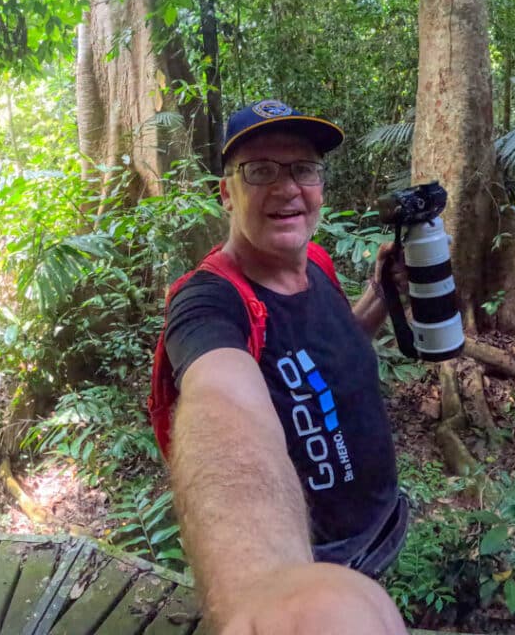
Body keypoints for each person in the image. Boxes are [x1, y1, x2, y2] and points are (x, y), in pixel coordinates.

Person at [161, 99, 410, 634]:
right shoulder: (209, 303)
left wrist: (380, 297)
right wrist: (267, 588)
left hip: (381, 527)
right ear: (227, 192)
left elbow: (332, 352)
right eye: (261, 171)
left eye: (303, 169)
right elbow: (223, 411)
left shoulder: (315, 262)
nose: (288, 187)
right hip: (318, 567)